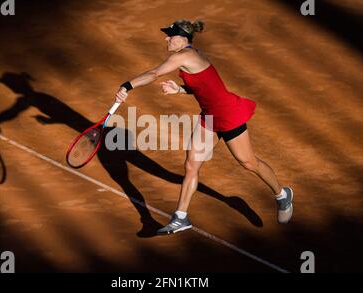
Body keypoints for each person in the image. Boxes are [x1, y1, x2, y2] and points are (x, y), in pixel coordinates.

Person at [114, 20, 293, 235]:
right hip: (209, 117)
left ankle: (282, 194)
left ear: (183, 38)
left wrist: (126, 86)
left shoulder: (182, 56)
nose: (166, 38)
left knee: (248, 162)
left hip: (228, 114)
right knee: (191, 165)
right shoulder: (192, 55)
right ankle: (181, 217)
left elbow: (154, 74)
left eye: (170, 35)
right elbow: (205, 87)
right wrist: (180, 91)